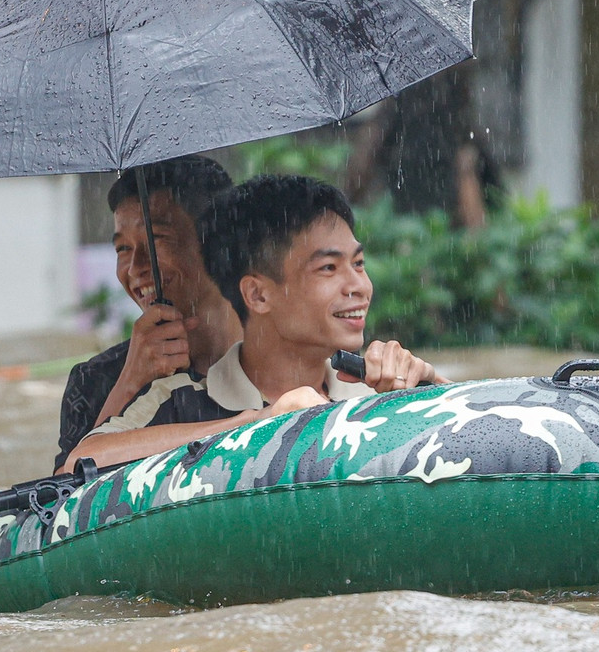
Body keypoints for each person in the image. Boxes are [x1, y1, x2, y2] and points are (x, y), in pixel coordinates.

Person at [70, 174, 446, 469]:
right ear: (258, 295)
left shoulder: (373, 396)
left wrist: (432, 390)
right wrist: (260, 422)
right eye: (329, 268)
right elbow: (76, 466)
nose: (360, 286)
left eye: (359, 264)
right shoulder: (178, 403)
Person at [54, 156, 239, 471]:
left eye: (156, 241)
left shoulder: (272, 361)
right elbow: (62, 502)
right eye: (122, 249)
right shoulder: (93, 381)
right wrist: (131, 380)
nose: (135, 268)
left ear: (220, 244)